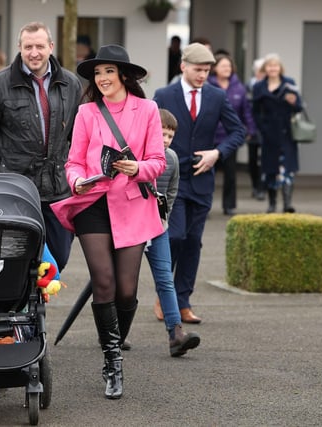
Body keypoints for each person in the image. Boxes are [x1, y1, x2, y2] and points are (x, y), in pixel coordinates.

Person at [51, 44, 166, 399]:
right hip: (93, 203)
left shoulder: (147, 109)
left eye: (108, 72)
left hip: (132, 203)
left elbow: (158, 161)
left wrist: (138, 168)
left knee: (126, 289)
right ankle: (112, 360)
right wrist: (76, 181)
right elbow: (72, 162)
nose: (101, 79)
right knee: (103, 282)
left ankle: (115, 338)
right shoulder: (87, 112)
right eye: (97, 73)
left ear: (124, 75)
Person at [0, 21, 82, 271]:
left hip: (58, 188)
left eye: (40, 46)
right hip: (16, 187)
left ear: (51, 47)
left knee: (59, 257)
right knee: (18, 255)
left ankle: (36, 299)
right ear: (19, 48)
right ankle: (25, 307)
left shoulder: (71, 84)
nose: (34, 53)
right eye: (28, 46)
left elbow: (79, 136)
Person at [153, 43, 245, 324]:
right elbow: (148, 131)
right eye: (198, 70)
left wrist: (218, 153)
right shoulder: (163, 95)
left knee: (193, 242)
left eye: (207, 70)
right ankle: (166, 294)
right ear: (183, 66)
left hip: (203, 182)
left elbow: (238, 130)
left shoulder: (217, 97)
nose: (203, 75)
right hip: (172, 181)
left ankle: (182, 302)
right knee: (176, 235)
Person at [147, 108, 201, 357]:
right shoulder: (137, 156)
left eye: (170, 136)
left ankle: (175, 333)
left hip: (158, 226)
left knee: (165, 279)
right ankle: (116, 335)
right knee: (120, 284)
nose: (166, 140)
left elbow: (172, 191)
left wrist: (162, 218)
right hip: (133, 227)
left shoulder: (172, 159)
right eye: (162, 134)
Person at [252, 53, 303, 213]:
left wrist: (293, 102)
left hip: (286, 132)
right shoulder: (258, 87)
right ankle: (272, 203)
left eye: (276, 65)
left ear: (280, 68)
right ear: (264, 69)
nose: (273, 68)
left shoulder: (289, 83)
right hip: (269, 134)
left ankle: (287, 203)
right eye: (269, 66)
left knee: (287, 168)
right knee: (270, 169)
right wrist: (262, 129)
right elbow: (255, 112)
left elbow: (299, 107)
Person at [208, 53, 255, 215]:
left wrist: (250, 129)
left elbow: (246, 111)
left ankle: (229, 206)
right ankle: (205, 206)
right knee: (207, 174)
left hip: (229, 137)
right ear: (215, 68)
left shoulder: (239, 87)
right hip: (210, 136)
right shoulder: (208, 85)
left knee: (230, 174)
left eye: (229, 66)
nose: (226, 69)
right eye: (223, 66)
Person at [247, 57, 266, 200]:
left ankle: (262, 187)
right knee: (252, 159)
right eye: (260, 71)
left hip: (266, 128)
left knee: (264, 159)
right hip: (252, 127)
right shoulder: (249, 86)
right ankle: (255, 185)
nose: (262, 73)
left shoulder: (269, 86)